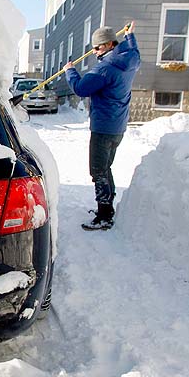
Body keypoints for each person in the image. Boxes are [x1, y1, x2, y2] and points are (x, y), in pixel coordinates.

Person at [63, 21, 140, 230]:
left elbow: (81, 88)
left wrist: (70, 71)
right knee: (106, 168)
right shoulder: (131, 59)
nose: (95, 52)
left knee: (98, 171)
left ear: (109, 45)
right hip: (118, 126)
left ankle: (105, 215)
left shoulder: (105, 68)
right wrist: (130, 35)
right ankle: (107, 208)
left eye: (97, 47)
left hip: (103, 126)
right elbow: (134, 49)